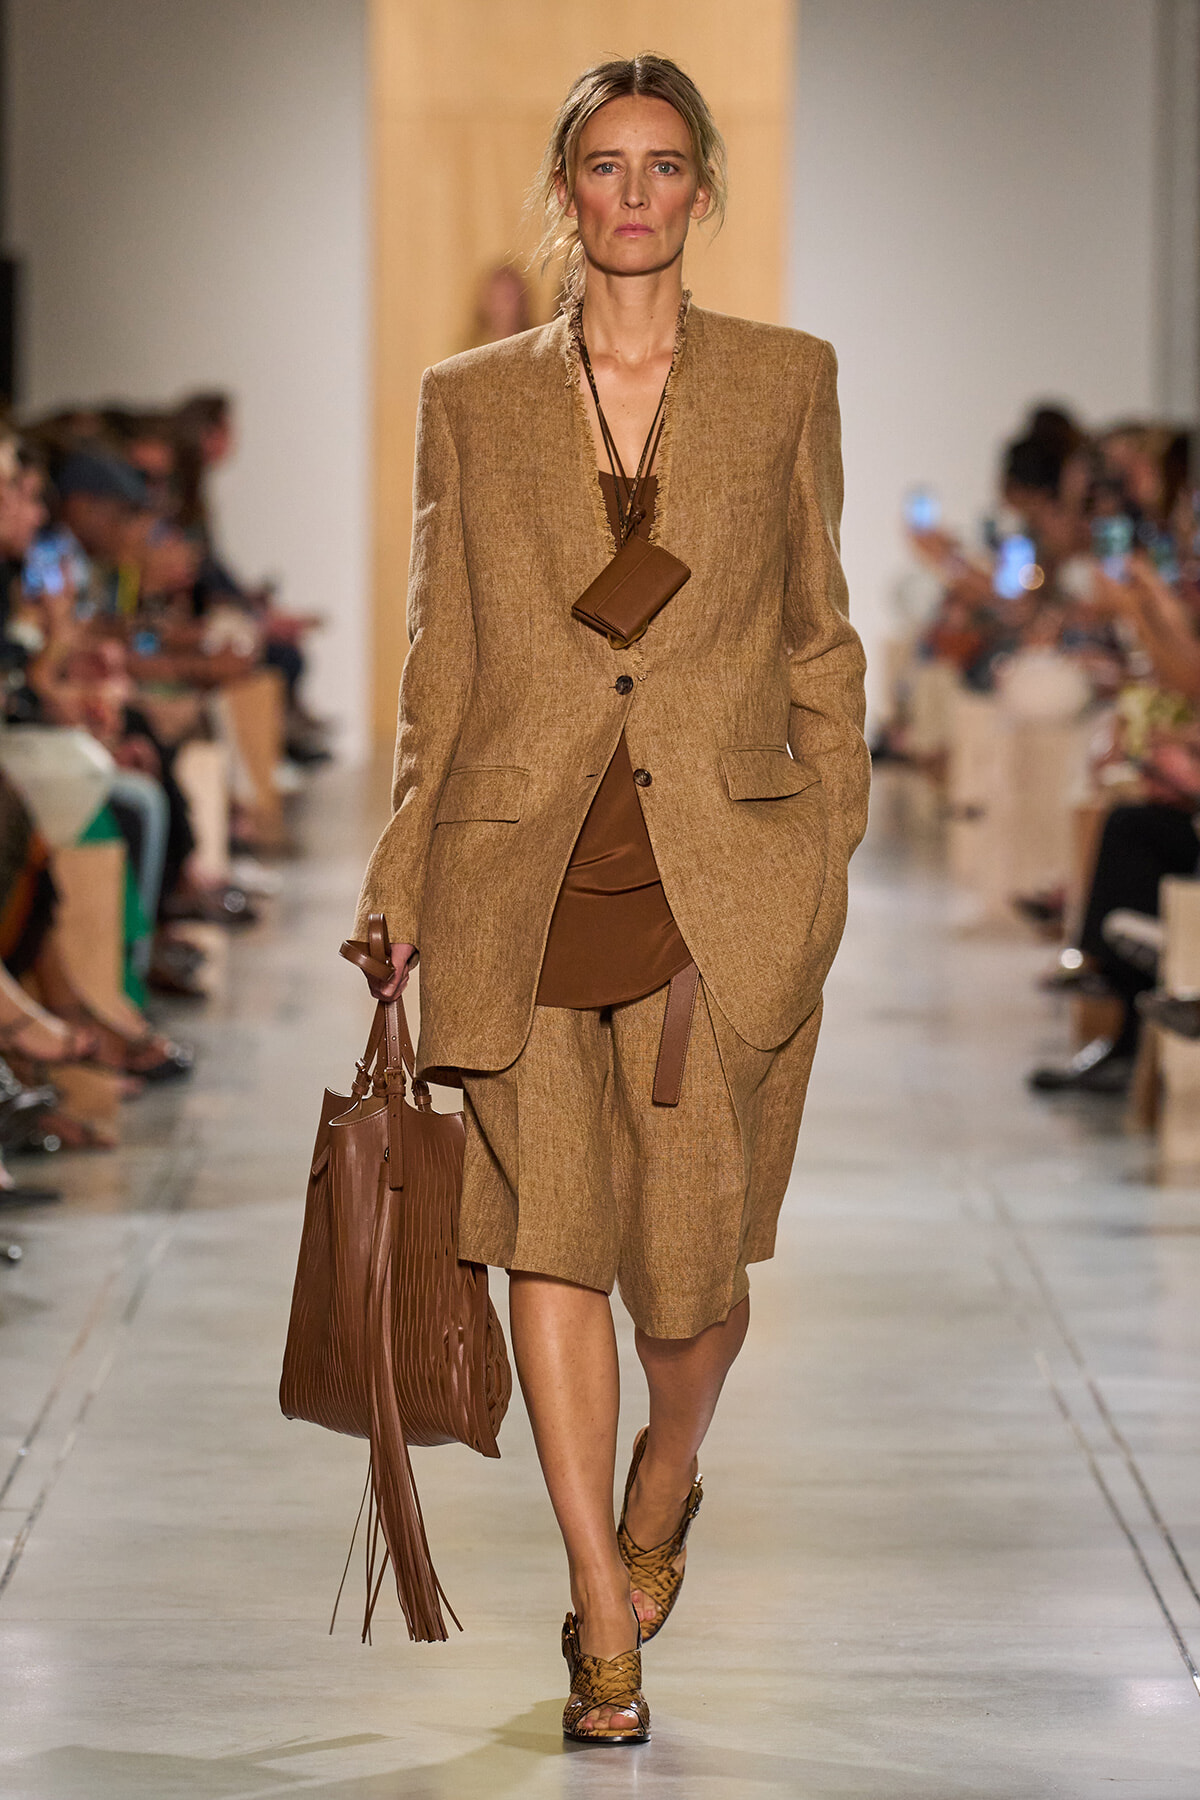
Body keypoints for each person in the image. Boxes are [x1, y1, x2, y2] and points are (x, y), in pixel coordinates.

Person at [353, 54, 869, 1744]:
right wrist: (404, 865)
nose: (634, 195)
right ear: (565, 192)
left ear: (701, 192)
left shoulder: (787, 381)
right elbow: (445, 658)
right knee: (549, 1244)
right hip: (526, 863)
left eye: (663, 167)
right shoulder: (474, 395)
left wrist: (829, 843)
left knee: (695, 1271)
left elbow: (817, 629)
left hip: (727, 872)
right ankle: (599, 1604)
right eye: (603, 165)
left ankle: (666, 1469)